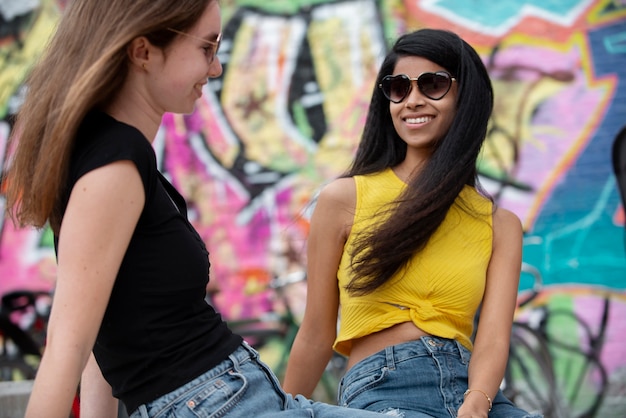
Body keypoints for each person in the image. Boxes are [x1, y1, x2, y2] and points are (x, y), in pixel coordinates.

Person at [3, 1, 391, 417]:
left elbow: (105, 323)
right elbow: (68, 344)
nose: (217, 68)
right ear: (144, 52)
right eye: (207, 48)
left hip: (233, 397)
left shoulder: (115, 153)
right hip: (215, 402)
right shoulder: (115, 163)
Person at [282, 29, 543, 418]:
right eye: (398, 88)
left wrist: (477, 401)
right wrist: (282, 412)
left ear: (465, 97)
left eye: (433, 84)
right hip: (384, 388)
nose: (413, 100)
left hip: (473, 391)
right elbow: (317, 333)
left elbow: (491, 339)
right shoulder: (345, 198)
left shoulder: (499, 224)